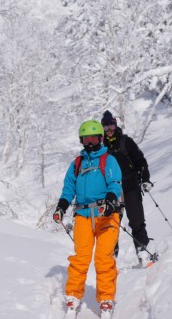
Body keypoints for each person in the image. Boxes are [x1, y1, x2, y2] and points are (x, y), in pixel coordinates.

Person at [52, 120, 122, 316]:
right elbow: (68, 188)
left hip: (106, 215)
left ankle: (106, 299)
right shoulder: (77, 163)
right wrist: (61, 207)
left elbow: (115, 183)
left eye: (93, 139)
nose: (90, 143)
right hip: (83, 216)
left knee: (103, 258)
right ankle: (73, 297)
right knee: (80, 258)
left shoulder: (108, 160)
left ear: (100, 139)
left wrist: (109, 201)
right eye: (86, 139)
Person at [100, 110, 153, 264]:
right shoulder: (101, 148)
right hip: (111, 191)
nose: (109, 130)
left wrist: (145, 179)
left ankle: (143, 253)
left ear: (115, 125)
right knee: (111, 223)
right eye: (106, 127)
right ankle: (111, 258)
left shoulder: (126, 142)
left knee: (136, 221)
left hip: (130, 186)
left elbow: (140, 161)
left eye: (111, 125)